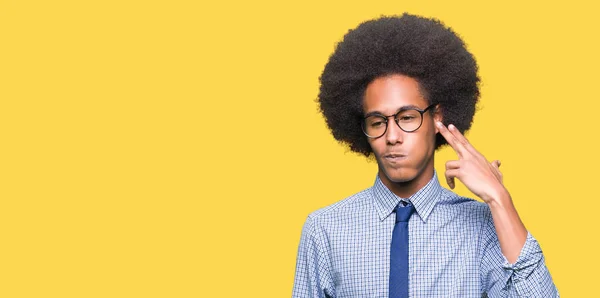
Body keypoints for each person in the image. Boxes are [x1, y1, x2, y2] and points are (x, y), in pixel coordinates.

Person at [292, 13, 558, 297]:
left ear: (437, 117)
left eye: (407, 118)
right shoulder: (325, 230)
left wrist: (500, 200)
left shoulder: (484, 227)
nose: (392, 137)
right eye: (378, 122)